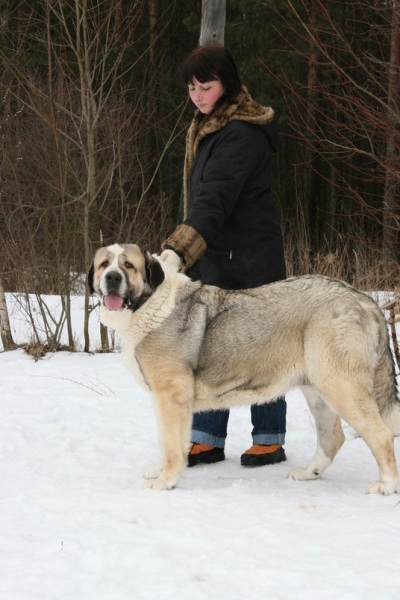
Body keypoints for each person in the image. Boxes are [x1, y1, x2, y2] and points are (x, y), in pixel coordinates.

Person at [161, 44, 287, 468]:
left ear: (226, 84)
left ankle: (269, 438)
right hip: (218, 253)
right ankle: (207, 437)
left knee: (263, 344)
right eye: (192, 87)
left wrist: (178, 248)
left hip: (251, 256)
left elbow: (213, 199)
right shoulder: (210, 126)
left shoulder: (240, 133)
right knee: (211, 345)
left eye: (206, 86)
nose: (197, 95)